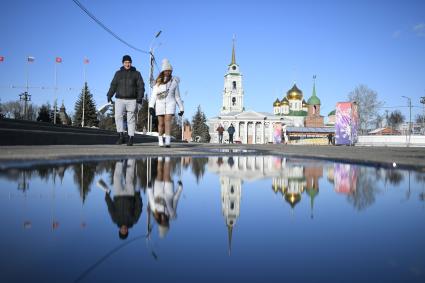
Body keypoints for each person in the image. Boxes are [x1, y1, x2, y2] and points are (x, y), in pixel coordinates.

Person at [99, 159, 143, 240]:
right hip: (130, 195)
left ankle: (120, 162)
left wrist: (107, 196)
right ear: (127, 231)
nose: (124, 229)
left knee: (116, 178)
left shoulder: (115, 219)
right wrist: (137, 195)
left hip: (118, 195)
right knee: (129, 177)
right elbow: (139, 208)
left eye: (122, 231)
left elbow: (110, 207)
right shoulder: (133, 220)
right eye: (125, 231)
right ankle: (131, 160)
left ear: (119, 230)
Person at [107, 55, 145, 146]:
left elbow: (141, 87)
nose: (127, 64)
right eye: (125, 62)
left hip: (132, 99)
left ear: (131, 63)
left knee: (131, 119)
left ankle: (131, 138)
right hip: (120, 99)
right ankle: (121, 136)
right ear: (123, 63)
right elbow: (113, 85)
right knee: (118, 116)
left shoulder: (136, 73)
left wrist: (139, 98)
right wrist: (109, 94)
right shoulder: (118, 73)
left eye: (129, 62)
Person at [149, 59, 184, 148]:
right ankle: (160, 140)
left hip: (170, 104)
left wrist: (181, 108)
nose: (168, 72)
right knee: (161, 124)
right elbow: (153, 96)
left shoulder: (174, 82)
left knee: (168, 122)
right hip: (159, 104)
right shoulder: (158, 83)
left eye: (169, 70)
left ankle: (167, 142)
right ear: (163, 71)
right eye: (166, 70)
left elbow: (177, 97)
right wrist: (151, 106)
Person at [147, 157, 183, 238]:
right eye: (166, 225)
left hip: (158, 192)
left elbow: (151, 199)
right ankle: (167, 157)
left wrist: (149, 188)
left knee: (159, 173)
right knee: (167, 174)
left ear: (160, 224)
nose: (164, 223)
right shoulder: (172, 214)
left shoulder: (155, 212)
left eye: (162, 225)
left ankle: (160, 157)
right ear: (168, 224)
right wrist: (180, 188)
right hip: (168, 193)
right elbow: (175, 200)